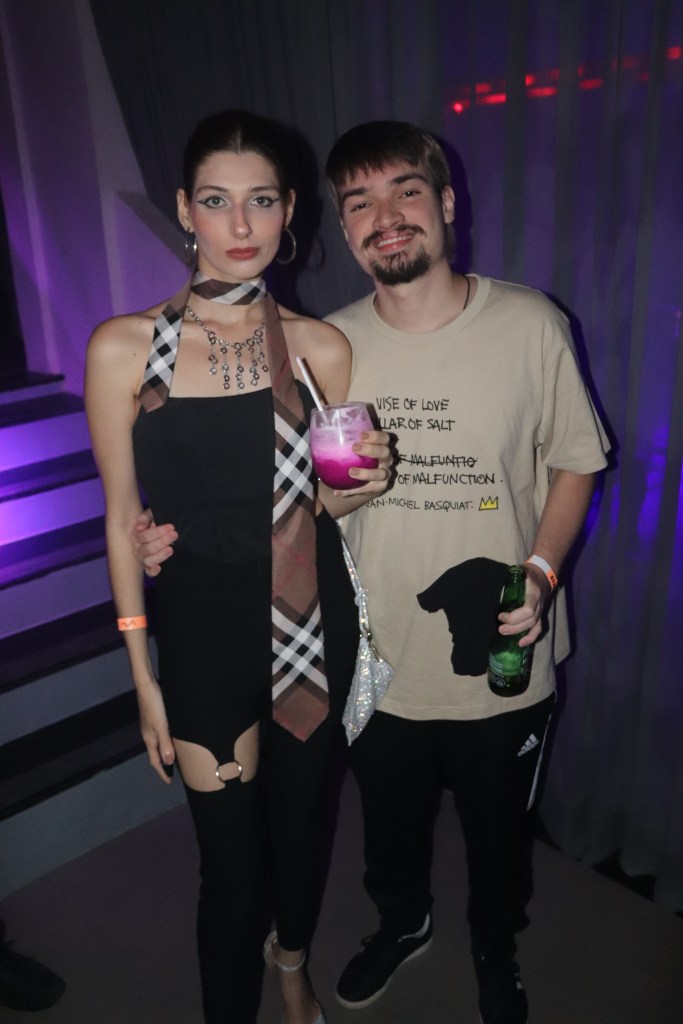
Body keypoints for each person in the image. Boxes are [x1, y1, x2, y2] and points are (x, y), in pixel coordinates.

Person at [134, 120, 610, 1024]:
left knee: (497, 835)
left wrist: (543, 571)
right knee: (386, 831)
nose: (384, 216)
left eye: (405, 191)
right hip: (368, 656)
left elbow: (576, 461)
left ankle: (493, 946)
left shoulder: (529, 325)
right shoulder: (323, 343)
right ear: (340, 226)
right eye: (359, 202)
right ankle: (402, 923)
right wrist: (158, 534)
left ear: (446, 202)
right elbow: (284, 496)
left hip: (498, 652)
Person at [85, 110, 390, 1024]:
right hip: (203, 640)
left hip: (312, 628)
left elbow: (327, 505)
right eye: (217, 202)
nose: (242, 225)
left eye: (261, 201)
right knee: (228, 868)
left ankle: (290, 962)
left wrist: (365, 484)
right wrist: (142, 676)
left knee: (300, 834)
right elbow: (121, 517)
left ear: (289, 209)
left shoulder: (321, 347)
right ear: (186, 210)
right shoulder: (124, 347)